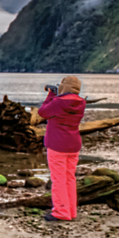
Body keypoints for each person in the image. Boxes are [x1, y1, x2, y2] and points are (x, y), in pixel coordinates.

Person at [38, 75, 86, 221]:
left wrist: (50, 95)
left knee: (58, 179)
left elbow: (42, 112)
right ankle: (71, 211)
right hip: (73, 144)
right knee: (69, 178)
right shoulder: (82, 102)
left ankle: (61, 212)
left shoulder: (57, 102)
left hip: (57, 144)